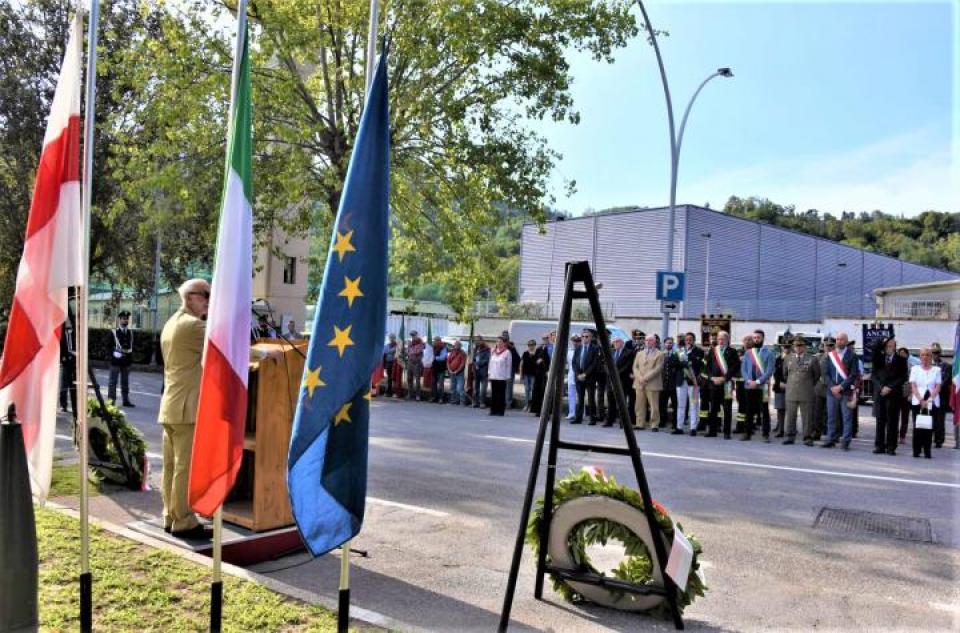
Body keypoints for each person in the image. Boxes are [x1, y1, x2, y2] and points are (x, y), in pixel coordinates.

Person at [158, 280, 210, 539]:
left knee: (170, 465)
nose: (209, 301)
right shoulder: (194, 326)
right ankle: (184, 521)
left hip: (171, 404)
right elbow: (227, 351)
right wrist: (266, 355)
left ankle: (170, 515)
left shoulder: (171, 323)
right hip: (186, 407)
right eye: (205, 296)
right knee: (183, 467)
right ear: (190, 297)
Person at [822, 331, 859, 451]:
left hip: (846, 391)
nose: (839, 341)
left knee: (846, 418)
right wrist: (833, 386)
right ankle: (830, 439)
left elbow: (853, 375)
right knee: (831, 416)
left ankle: (846, 442)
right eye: (837, 339)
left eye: (841, 339)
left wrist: (841, 387)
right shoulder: (830, 355)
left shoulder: (852, 355)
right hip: (831, 391)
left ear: (846, 341)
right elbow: (825, 374)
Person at [871, 336, 907, 455]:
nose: (889, 348)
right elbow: (874, 375)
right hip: (881, 393)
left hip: (894, 394)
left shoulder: (901, 360)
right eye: (887, 345)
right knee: (880, 420)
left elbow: (903, 377)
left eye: (891, 345)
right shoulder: (879, 358)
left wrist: (890, 387)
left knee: (893, 421)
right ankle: (879, 445)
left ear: (895, 346)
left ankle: (891, 447)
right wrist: (881, 387)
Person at [782, 337, 820, 446]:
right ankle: (790, 436)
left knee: (807, 416)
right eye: (796, 346)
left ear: (804, 347)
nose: (798, 348)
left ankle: (807, 437)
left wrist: (809, 385)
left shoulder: (812, 359)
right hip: (791, 391)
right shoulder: (788, 358)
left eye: (800, 346)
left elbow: (816, 375)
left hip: (806, 391)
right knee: (790, 415)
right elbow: (785, 374)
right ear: (793, 347)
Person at [741, 329, 776, 441]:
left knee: (764, 410)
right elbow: (744, 370)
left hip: (763, 386)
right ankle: (747, 433)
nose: (756, 340)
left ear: (762, 338)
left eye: (758, 338)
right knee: (749, 410)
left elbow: (769, 371)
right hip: (749, 385)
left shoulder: (769, 353)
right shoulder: (748, 353)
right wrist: (749, 381)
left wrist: (757, 382)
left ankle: (765, 434)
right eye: (754, 338)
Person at [909, 347, 941, 459]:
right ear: (920, 357)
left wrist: (929, 400)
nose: (925, 357)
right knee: (918, 426)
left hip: (932, 399)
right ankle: (916, 451)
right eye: (922, 355)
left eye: (927, 355)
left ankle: (927, 451)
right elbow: (913, 385)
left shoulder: (937, 370)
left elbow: (938, 386)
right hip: (918, 400)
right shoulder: (915, 369)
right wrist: (921, 400)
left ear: (931, 357)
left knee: (929, 427)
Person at [706, 331, 739, 438]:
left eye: (723, 338)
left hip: (727, 384)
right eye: (719, 338)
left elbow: (735, 367)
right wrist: (712, 378)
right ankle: (712, 431)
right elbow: (708, 367)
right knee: (714, 408)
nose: (720, 340)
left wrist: (724, 378)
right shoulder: (712, 351)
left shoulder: (733, 351)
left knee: (727, 409)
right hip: (714, 384)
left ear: (727, 339)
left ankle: (726, 432)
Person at [674, 332, 704, 436]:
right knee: (681, 405)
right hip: (681, 381)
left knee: (694, 405)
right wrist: (684, 363)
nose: (688, 341)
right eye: (686, 339)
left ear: (694, 340)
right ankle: (679, 427)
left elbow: (699, 364)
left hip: (694, 382)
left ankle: (693, 428)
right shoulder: (680, 351)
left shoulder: (699, 351)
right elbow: (675, 364)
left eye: (690, 339)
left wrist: (688, 361)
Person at [632, 334, 664, 431]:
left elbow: (658, 369)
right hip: (639, 383)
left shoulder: (660, 354)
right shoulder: (639, 353)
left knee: (654, 406)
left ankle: (654, 425)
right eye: (646, 340)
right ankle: (640, 423)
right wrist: (639, 377)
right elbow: (635, 367)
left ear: (655, 342)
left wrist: (645, 378)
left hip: (652, 383)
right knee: (639, 405)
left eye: (650, 340)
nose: (648, 342)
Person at [605, 335, 635, 427]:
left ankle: (623, 422)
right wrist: (609, 372)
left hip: (622, 381)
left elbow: (627, 366)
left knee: (622, 403)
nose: (615, 344)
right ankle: (609, 421)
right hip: (610, 381)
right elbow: (606, 364)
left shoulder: (629, 352)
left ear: (622, 342)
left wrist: (615, 373)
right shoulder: (611, 352)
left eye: (617, 341)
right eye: (614, 342)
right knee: (611, 402)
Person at [571, 329, 600, 424]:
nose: (584, 338)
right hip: (579, 377)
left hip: (590, 377)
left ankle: (592, 419)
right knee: (580, 398)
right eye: (583, 336)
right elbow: (574, 362)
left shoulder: (595, 348)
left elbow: (594, 363)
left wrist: (585, 374)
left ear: (591, 338)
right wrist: (578, 374)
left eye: (586, 336)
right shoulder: (578, 348)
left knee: (591, 398)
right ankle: (578, 418)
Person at [108, 310, 136, 407]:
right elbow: (108, 346)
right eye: (123, 319)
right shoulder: (114, 332)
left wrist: (130, 361)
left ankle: (125, 400)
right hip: (115, 361)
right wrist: (113, 354)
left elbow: (131, 347)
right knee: (113, 382)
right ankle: (111, 401)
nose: (125, 321)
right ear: (119, 320)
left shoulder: (130, 333)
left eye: (127, 319)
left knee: (125, 382)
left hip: (126, 362)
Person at [931, 343, 952, 449]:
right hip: (929, 397)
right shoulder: (927, 366)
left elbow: (946, 380)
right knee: (930, 418)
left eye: (937, 353)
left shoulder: (946, 366)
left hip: (940, 396)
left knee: (939, 420)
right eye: (933, 353)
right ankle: (929, 437)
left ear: (940, 354)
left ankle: (939, 440)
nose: (935, 355)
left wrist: (936, 390)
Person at [488, 336, 513, 416]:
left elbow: (509, 365)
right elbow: (490, 363)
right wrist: (489, 373)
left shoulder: (507, 352)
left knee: (501, 394)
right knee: (494, 394)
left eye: (500, 342)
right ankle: (493, 410)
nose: (498, 343)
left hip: (502, 376)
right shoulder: (493, 351)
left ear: (504, 343)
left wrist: (508, 376)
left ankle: (500, 411)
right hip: (494, 376)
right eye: (497, 341)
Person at [660, 337, 678, 430]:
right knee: (662, 404)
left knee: (675, 405)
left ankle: (675, 423)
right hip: (663, 383)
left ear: (673, 344)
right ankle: (662, 421)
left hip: (673, 384)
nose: (669, 344)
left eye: (670, 343)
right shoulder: (660, 354)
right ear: (664, 344)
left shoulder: (676, 354)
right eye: (667, 343)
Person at [529, 336, 550, 416]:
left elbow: (549, 359)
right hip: (538, 373)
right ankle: (538, 410)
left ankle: (545, 411)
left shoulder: (550, 348)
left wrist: (543, 360)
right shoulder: (539, 349)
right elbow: (534, 360)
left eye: (546, 338)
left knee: (544, 391)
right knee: (537, 392)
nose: (545, 340)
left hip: (545, 373)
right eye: (543, 339)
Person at [772, 342, 790, 436]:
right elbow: (775, 373)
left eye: (788, 347)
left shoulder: (793, 358)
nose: (786, 349)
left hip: (791, 387)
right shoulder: (778, 359)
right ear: (782, 347)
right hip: (779, 386)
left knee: (791, 409)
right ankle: (780, 428)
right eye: (785, 347)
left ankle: (790, 429)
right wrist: (780, 382)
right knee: (780, 408)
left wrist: (788, 383)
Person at [896, 347, 912, 444]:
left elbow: (912, 382)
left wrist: (911, 394)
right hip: (897, 394)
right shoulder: (895, 366)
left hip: (906, 394)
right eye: (900, 353)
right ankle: (895, 433)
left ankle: (902, 436)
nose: (901, 355)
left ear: (907, 355)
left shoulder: (911, 367)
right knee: (895, 416)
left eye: (903, 353)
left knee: (905, 416)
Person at [501, 330, 521, 410]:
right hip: (501, 369)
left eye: (506, 337)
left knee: (509, 386)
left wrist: (511, 348)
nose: (505, 339)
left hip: (510, 369)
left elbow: (517, 358)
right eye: (503, 337)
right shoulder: (499, 346)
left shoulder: (512, 346)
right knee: (501, 386)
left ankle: (508, 403)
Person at [446, 340, 467, 405]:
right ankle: (453, 401)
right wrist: (449, 370)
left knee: (460, 388)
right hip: (452, 372)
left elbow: (462, 363)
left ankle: (462, 402)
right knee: (452, 387)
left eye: (458, 345)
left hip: (459, 373)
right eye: (455, 345)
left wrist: (457, 371)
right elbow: (448, 361)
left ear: (460, 346)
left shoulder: (463, 353)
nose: (456, 346)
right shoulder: (452, 352)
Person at [405, 331, 425, 401]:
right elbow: (407, 352)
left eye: (414, 335)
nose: (413, 337)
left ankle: (418, 395)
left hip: (417, 363)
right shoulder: (410, 343)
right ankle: (410, 394)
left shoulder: (421, 343)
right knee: (409, 379)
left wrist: (410, 351)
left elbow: (417, 351)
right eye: (412, 336)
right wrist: (409, 351)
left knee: (417, 380)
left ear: (417, 335)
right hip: (410, 362)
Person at [472, 337, 490, 408]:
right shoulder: (475, 349)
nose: (477, 342)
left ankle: (482, 402)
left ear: (482, 341)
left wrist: (478, 363)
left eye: (479, 341)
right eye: (476, 341)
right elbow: (473, 358)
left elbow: (487, 359)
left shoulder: (487, 349)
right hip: (476, 371)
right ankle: (475, 402)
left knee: (483, 388)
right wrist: (474, 363)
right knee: (475, 388)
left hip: (484, 370)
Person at [520, 340, 538, 411]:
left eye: (532, 345)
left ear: (534, 346)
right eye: (529, 345)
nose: (531, 346)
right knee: (527, 389)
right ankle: (526, 404)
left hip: (533, 374)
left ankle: (531, 405)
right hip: (526, 374)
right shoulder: (525, 353)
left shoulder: (536, 353)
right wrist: (521, 374)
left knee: (532, 390)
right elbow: (521, 364)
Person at [566, 334, 581, 420]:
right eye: (574, 341)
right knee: (571, 395)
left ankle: (580, 414)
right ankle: (572, 413)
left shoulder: (582, 350)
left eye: (577, 341)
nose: (575, 343)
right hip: (571, 375)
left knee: (580, 395)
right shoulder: (569, 351)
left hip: (579, 375)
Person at [430, 336, 448, 403]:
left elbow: (443, 357)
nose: (435, 342)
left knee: (440, 384)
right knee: (433, 384)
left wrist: (435, 358)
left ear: (439, 341)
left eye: (436, 340)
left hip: (441, 368)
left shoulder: (443, 348)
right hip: (434, 368)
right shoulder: (432, 348)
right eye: (434, 340)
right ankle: (433, 397)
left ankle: (441, 398)